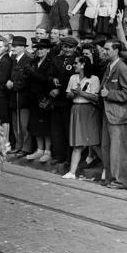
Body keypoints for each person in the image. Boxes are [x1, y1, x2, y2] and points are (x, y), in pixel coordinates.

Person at [100, 39, 127, 189]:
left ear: (116, 51)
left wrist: (109, 94)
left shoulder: (122, 68)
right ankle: (111, 178)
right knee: (107, 148)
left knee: (118, 149)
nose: (104, 51)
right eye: (104, 49)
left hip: (118, 115)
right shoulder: (109, 66)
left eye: (107, 49)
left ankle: (122, 181)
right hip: (109, 113)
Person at [63, 55, 101, 179]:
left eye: (76, 63)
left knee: (93, 141)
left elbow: (95, 97)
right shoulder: (73, 77)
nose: (74, 65)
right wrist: (72, 94)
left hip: (88, 110)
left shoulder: (94, 79)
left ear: (83, 64)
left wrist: (81, 93)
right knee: (77, 142)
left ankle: (108, 168)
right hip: (75, 108)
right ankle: (72, 172)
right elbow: (68, 94)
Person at [48, 35, 78, 167]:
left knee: (68, 129)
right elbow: (50, 74)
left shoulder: (77, 60)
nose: (67, 50)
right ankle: (58, 155)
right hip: (56, 100)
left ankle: (68, 157)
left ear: (75, 48)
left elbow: (73, 78)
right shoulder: (57, 59)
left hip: (68, 100)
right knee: (56, 129)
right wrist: (52, 79)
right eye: (65, 46)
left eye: (70, 47)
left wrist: (59, 90)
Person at [24, 39, 53, 162]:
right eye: (38, 49)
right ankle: (39, 150)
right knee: (35, 124)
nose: (39, 51)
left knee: (45, 126)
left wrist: (32, 73)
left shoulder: (50, 62)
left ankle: (47, 151)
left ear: (48, 50)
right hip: (33, 96)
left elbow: (47, 79)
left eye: (42, 49)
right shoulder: (34, 61)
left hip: (44, 97)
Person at [7, 36, 33, 156]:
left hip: (23, 97)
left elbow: (27, 79)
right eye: (13, 46)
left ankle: (26, 148)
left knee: (24, 124)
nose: (13, 48)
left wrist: (15, 84)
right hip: (14, 96)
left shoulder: (28, 60)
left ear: (23, 47)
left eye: (16, 46)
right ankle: (18, 145)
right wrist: (9, 82)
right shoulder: (13, 60)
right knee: (16, 122)